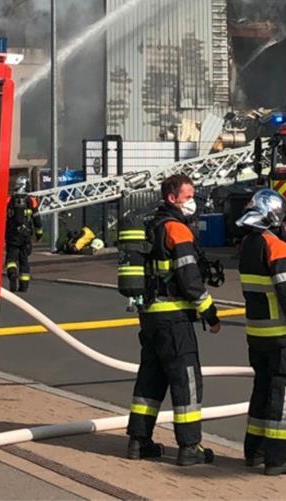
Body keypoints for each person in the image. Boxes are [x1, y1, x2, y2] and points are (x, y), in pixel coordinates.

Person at [126, 173, 221, 467]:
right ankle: (189, 446)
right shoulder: (176, 230)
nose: (192, 202)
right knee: (186, 380)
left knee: (151, 379)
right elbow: (190, 280)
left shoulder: (152, 225)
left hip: (151, 317)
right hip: (174, 317)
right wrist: (210, 313)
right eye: (188, 196)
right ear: (172, 198)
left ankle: (138, 442)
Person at [236, 188, 286, 476]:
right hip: (281, 336)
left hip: (256, 335)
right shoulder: (277, 248)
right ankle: (278, 457)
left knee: (261, 391)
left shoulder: (248, 246)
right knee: (283, 396)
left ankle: (254, 451)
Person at [5, 175, 42, 293]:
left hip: (12, 234)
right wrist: (39, 233)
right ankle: (24, 286)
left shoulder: (8, 200)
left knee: (11, 258)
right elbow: (37, 219)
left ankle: (12, 274)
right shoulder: (32, 200)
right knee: (24, 260)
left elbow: (3, 217)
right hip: (26, 234)